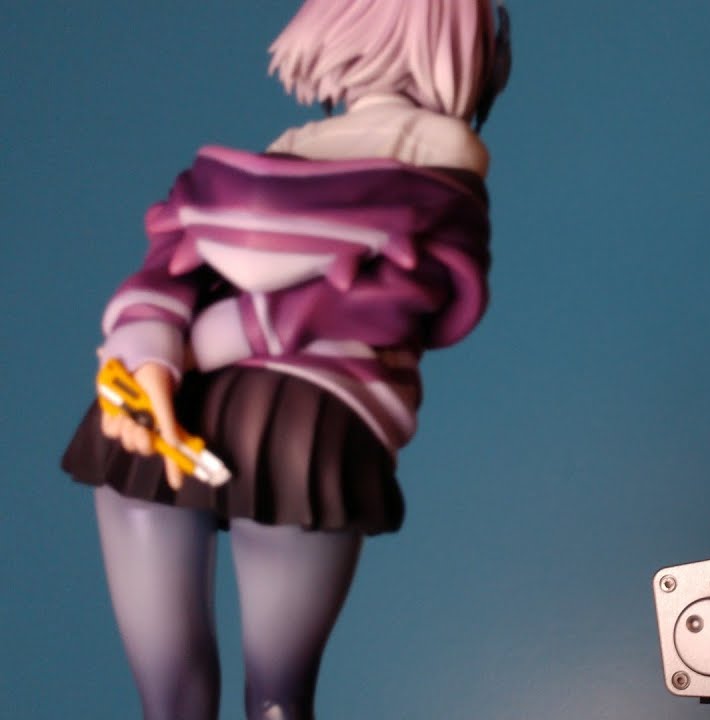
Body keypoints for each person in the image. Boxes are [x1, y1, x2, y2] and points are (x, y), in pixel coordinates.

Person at [60, 2, 511, 718]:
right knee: (274, 698)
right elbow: (400, 299)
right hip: (302, 425)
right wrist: (180, 344)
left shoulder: (281, 158)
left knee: (175, 697)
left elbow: (173, 266)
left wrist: (159, 348)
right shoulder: (431, 153)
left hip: (185, 406)